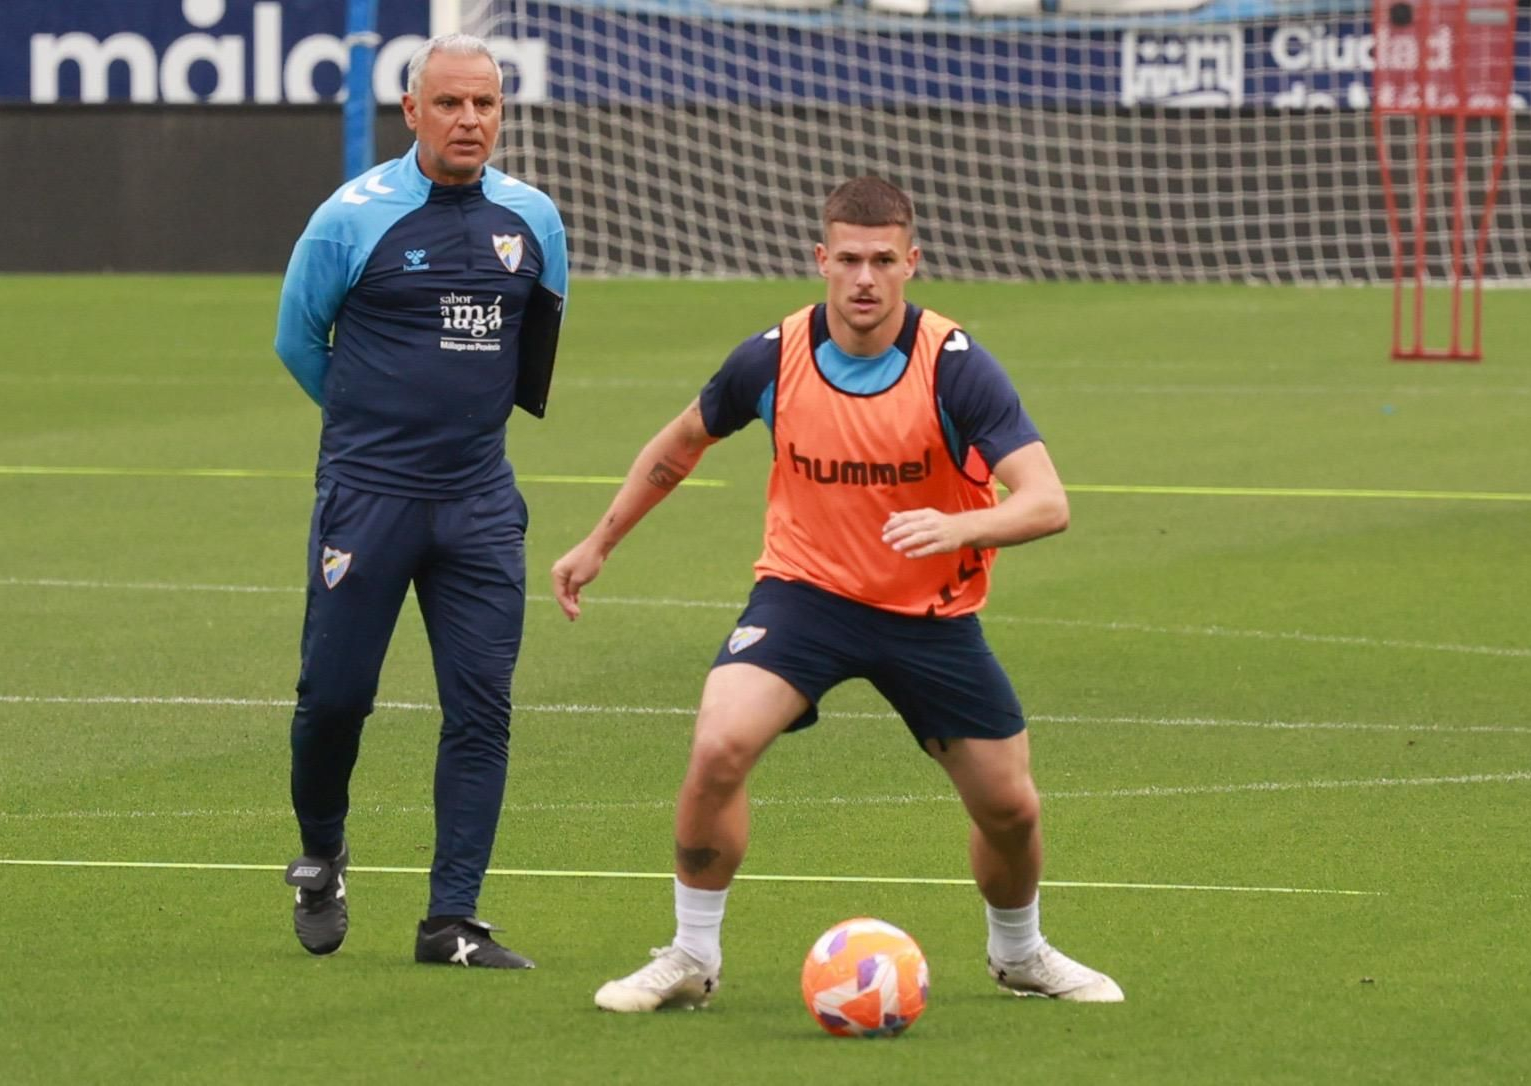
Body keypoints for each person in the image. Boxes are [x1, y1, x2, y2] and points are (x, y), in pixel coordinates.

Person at [551, 177, 1122, 1011]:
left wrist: (961, 528)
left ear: (911, 263)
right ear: (821, 259)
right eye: (848, 259)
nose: (864, 278)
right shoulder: (772, 357)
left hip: (930, 613)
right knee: (718, 748)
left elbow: (1048, 501)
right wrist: (599, 541)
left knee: (1010, 809)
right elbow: (680, 444)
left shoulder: (955, 367)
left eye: (883, 261)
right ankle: (690, 956)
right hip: (804, 597)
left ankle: (1021, 954)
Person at [273, 33, 567, 969]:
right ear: (412, 112)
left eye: (484, 104)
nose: (469, 120)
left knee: (481, 710)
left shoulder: (534, 221)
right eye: (449, 104)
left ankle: (452, 920)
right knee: (334, 700)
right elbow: (298, 339)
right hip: (369, 500)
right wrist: (371, 431)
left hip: (479, 503)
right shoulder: (350, 218)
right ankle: (322, 854)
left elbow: (534, 350)